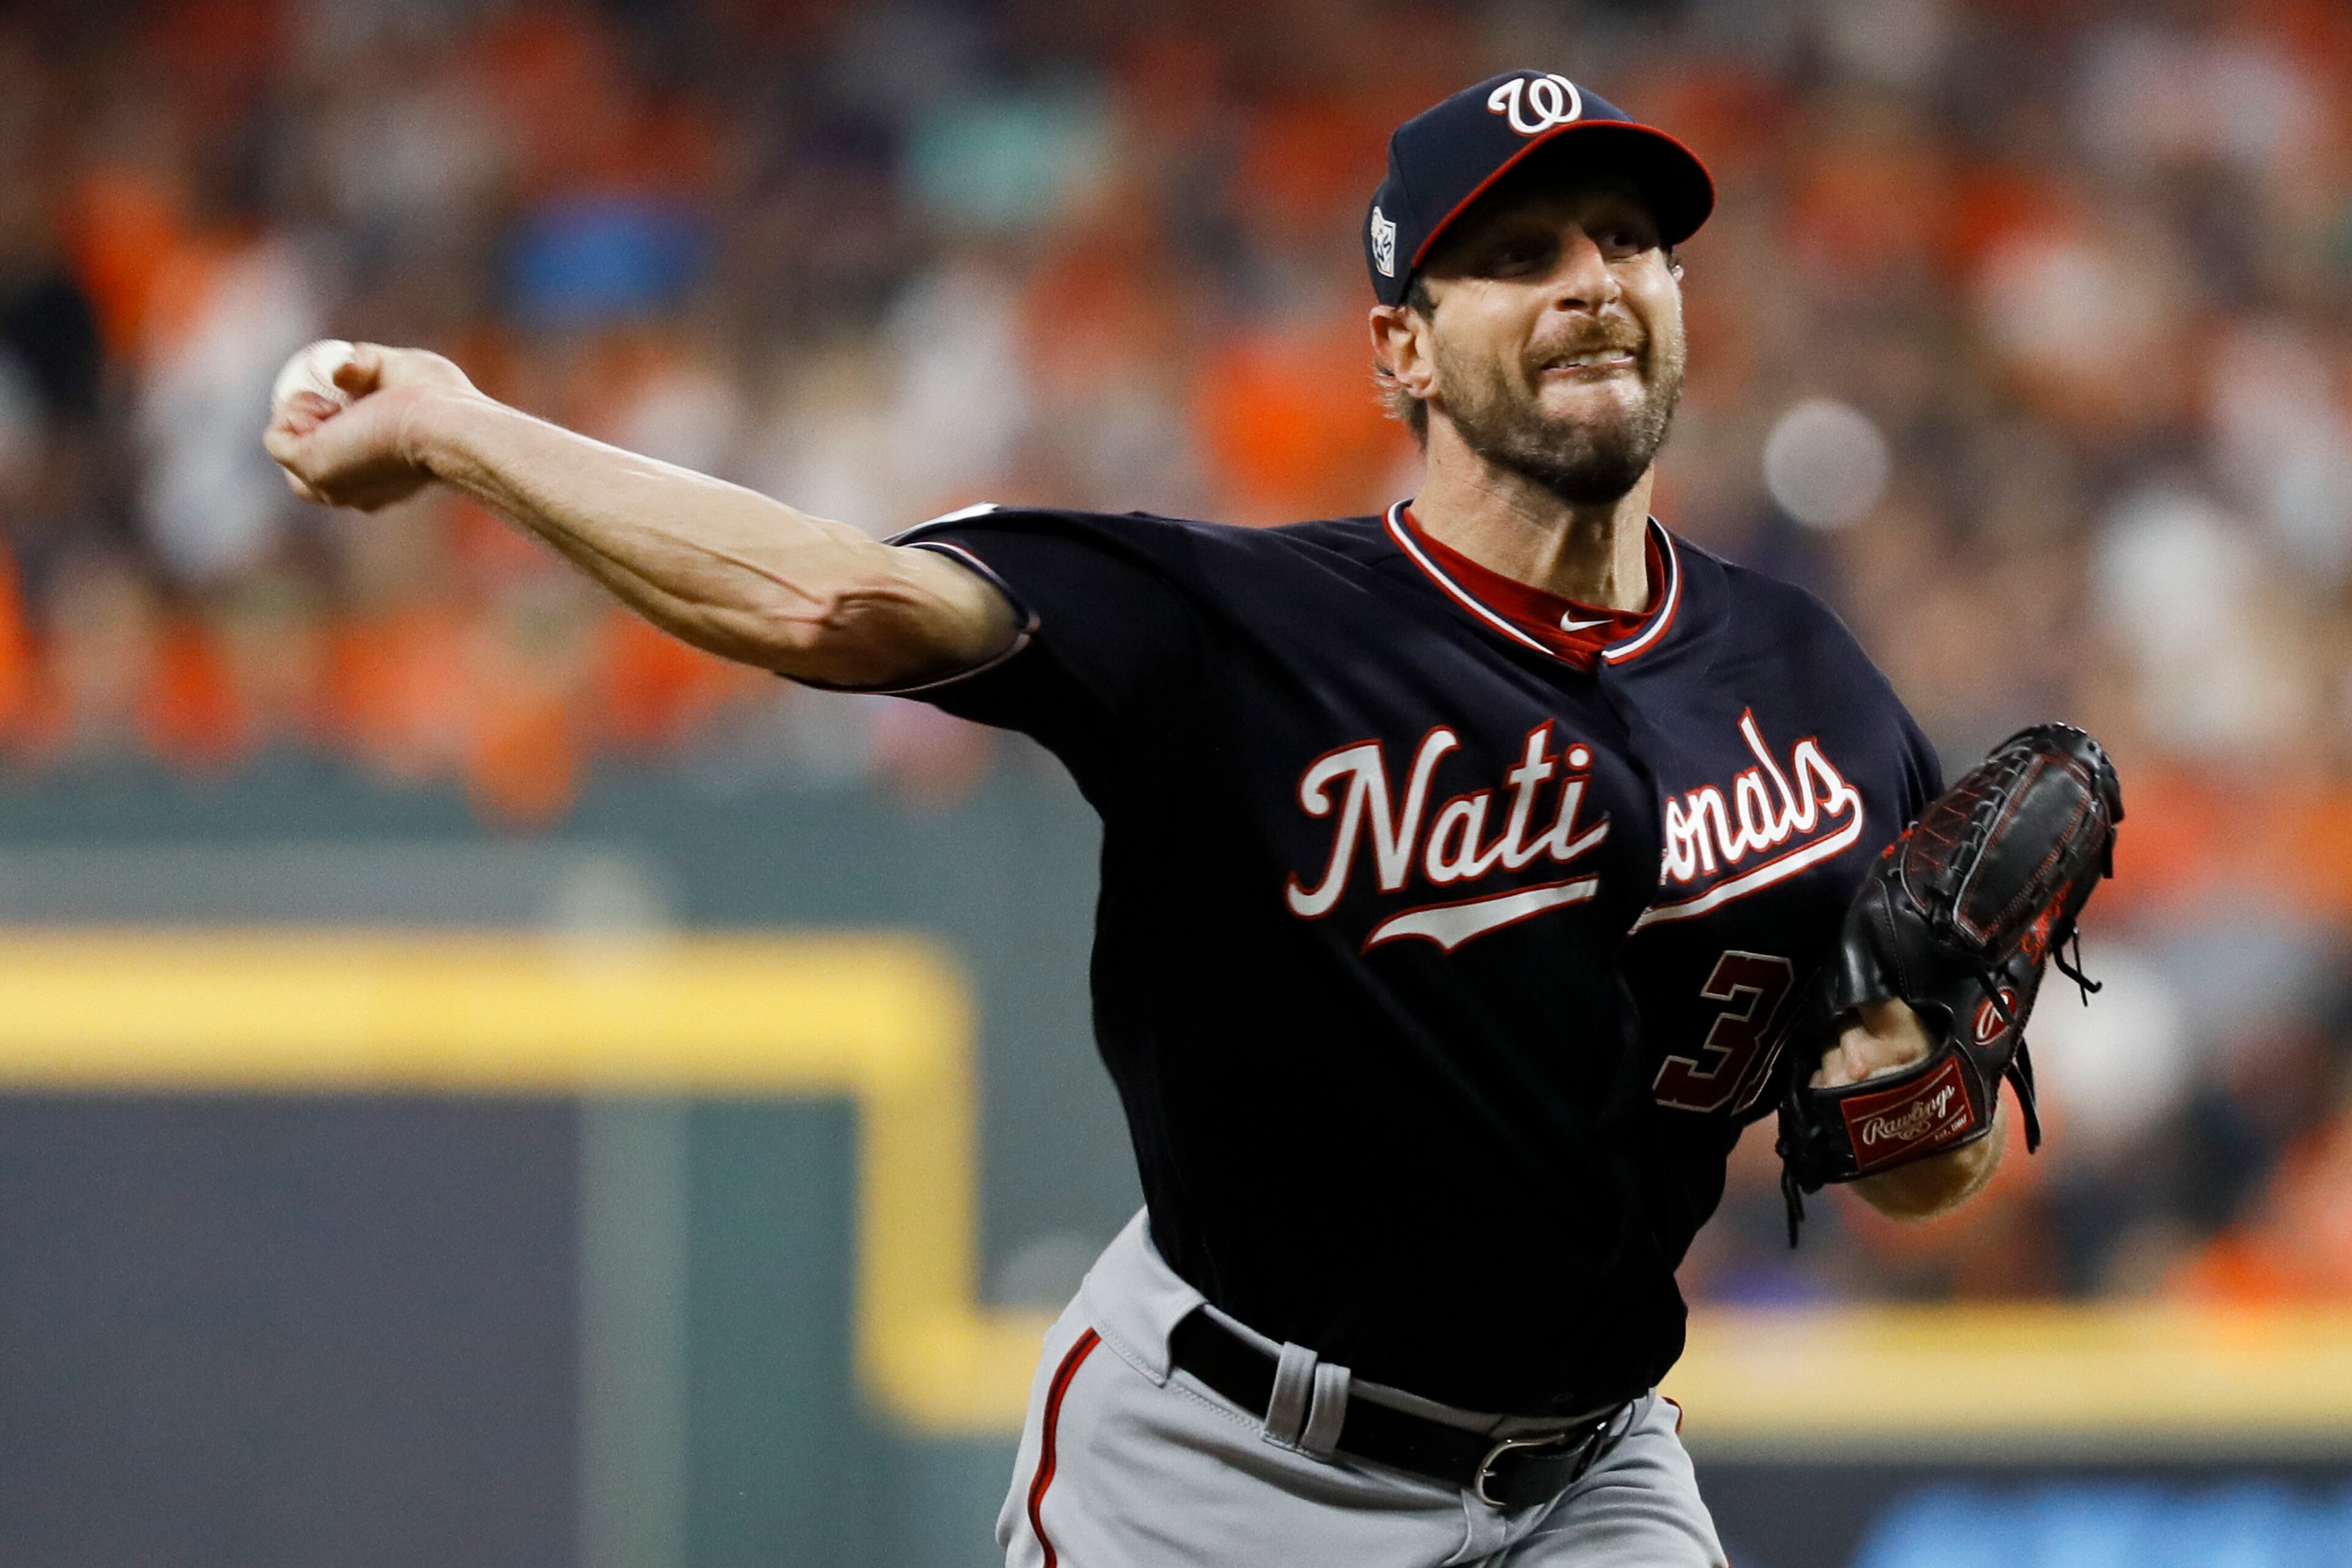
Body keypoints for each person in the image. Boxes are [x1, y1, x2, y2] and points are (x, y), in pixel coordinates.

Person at [268, 70, 2003, 1568]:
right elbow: (834, 609)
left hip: (1593, 1474)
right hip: (1227, 1469)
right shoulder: (1237, 629)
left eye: (1628, 241)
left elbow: (1930, 1166)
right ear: (1401, 346)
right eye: (1518, 256)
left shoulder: (1815, 684)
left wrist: (1916, 1102)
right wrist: (458, 426)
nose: (1591, 285)